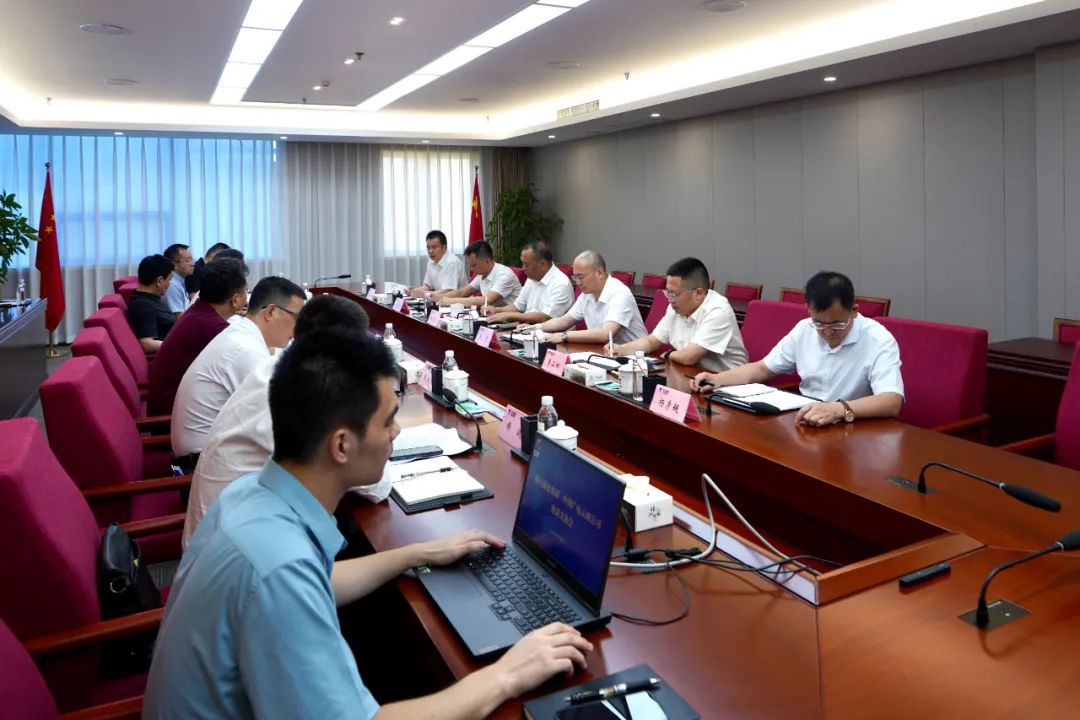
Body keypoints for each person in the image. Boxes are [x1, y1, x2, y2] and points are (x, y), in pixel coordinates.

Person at [143, 329, 593, 719]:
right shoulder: (278, 570)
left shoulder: (250, 493)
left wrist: (415, 554)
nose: (396, 433)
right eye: (388, 421)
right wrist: (508, 674)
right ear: (342, 445)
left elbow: (318, 580)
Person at [183, 294, 374, 548]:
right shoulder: (305, 390)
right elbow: (371, 483)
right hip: (238, 550)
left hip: (229, 532)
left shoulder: (278, 368)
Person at [694, 271, 904, 426]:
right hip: (806, 419)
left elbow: (891, 401)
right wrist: (717, 379)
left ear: (854, 311)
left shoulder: (878, 339)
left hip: (852, 425)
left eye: (837, 324)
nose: (827, 331)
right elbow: (763, 368)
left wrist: (838, 409)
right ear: (809, 311)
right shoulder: (805, 329)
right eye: (819, 323)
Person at [171, 276, 306, 463]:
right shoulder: (245, 350)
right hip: (201, 463)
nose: (299, 328)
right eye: (296, 318)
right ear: (271, 312)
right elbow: (278, 420)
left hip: (210, 454)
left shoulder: (240, 332)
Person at [146, 258, 249, 415]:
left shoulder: (199, 311)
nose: (247, 296)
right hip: (172, 415)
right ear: (235, 299)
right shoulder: (213, 328)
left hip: (177, 405)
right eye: (246, 291)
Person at [612, 257, 747, 371]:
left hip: (727, 384)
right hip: (691, 374)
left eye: (674, 294)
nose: (670, 299)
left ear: (698, 293)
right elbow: (651, 341)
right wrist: (621, 349)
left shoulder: (718, 311)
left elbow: (689, 357)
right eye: (668, 293)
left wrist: (668, 354)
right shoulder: (676, 307)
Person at [534, 250, 647, 346]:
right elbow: (564, 321)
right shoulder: (587, 294)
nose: (578, 282)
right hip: (604, 352)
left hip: (635, 358)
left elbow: (605, 334)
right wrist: (536, 327)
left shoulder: (620, 293)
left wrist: (564, 336)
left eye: (580, 277)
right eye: (575, 277)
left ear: (599, 272)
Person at [486, 242, 573, 325]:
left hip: (552, 333)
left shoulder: (561, 283)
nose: (523, 268)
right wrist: (496, 310)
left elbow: (546, 317)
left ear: (542, 264)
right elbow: (518, 306)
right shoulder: (532, 278)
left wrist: (509, 315)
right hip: (528, 328)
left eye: (526, 265)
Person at [438, 240, 521, 309]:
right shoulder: (482, 274)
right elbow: (462, 292)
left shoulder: (504, 275)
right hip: (492, 314)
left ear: (487, 261)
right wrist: (439, 298)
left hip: (512, 318)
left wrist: (451, 301)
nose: (471, 269)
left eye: (474, 265)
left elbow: (486, 300)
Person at [126, 254, 176, 352]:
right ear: (159, 281)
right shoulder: (143, 306)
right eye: (169, 279)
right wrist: (182, 346)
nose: (170, 283)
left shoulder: (149, 298)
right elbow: (147, 344)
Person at [408, 230, 468, 299]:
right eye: (428, 247)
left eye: (434, 247)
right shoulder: (431, 261)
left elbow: (447, 291)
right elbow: (428, 286)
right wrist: (414, 291)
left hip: (457, 303)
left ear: (444, 247)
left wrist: (424, 294)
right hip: (440, 300)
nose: (430, 251)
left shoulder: (452, 262)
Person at [162, 244, 195, 316]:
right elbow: (179, 319)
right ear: (174, 265)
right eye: (188, 260)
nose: (192, 264)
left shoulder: (180, 281)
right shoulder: (172, 285)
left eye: (192, 259)